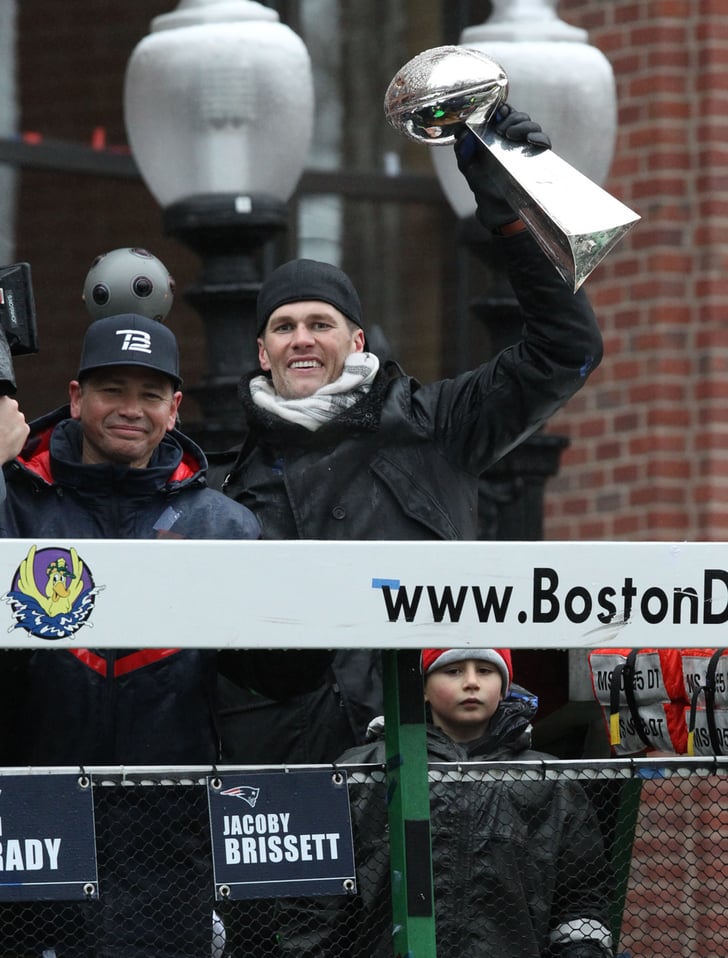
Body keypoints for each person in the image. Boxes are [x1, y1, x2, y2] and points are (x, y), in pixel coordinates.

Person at [207, 104, 603, 764]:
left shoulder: (436, 425)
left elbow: (567, 351)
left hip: (432, 779)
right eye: (284, 327)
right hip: (291, 795)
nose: (302, 338)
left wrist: (512, 216)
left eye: (320, 323)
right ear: (261, 351)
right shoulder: (224, 488)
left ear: (355, 339)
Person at [0, 313, 332, 958]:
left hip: (168, 840)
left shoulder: (220, 526)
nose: (131, 409)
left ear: (174, 408)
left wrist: (308, 614)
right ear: (75, 398)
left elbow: (286, 677)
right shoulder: (16, 501)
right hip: (29, 828)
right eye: (111, 390)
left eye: (149, 395)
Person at [276, 648, 614, 958]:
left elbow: (580, 897)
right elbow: (315, 907)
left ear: (504, 684)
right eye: (452, 670)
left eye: (485, 670)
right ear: (421, 686)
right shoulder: (361, 776)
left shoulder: (549, 783)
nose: (471, 682)